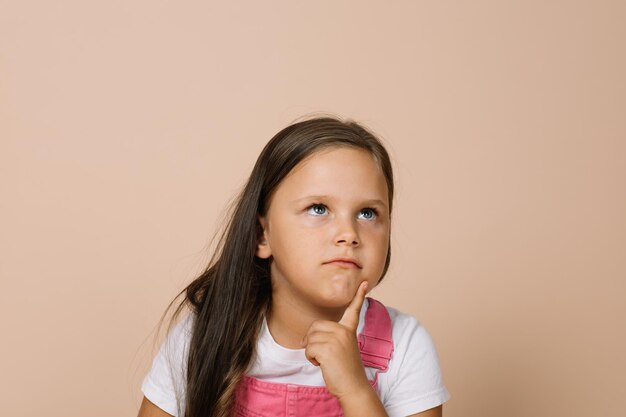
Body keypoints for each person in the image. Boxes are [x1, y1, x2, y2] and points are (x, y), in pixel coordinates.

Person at [137, 116, 451, 417]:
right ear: (262, 235)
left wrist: (355, 389)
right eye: (318, 208)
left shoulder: (404, 344)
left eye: (367, 213)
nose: (349, 234)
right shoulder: (203, 335)